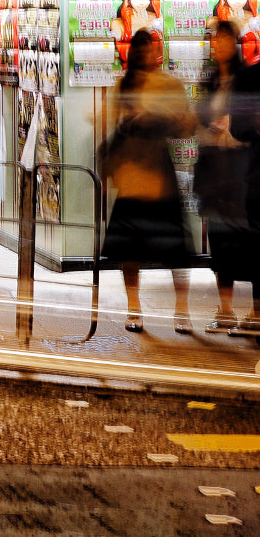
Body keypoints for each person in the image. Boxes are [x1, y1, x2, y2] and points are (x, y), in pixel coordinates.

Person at [101, 29, 196, 333]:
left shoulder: (169, 84)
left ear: (156, 51)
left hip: (157, 175)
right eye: (139, 49)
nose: (144, 54)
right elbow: (106, 121)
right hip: (131, 175)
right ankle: (134, 307)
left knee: (175, 250)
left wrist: (157, 118)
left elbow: (185, 125)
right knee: (129, 251)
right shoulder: (123, 86)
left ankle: (182, 309)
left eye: (149, 48)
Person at [195, 20, 260, 334]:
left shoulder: (246, 77)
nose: (217, 45)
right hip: (214, 172)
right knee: (220, 244)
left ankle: (256, 311)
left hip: (242, 171)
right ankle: (225, 310)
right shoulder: (209, 80)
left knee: (249, 242)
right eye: (214, 39)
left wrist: (227, 133)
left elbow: (249, 127)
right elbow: (199, 120)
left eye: (223, 39)